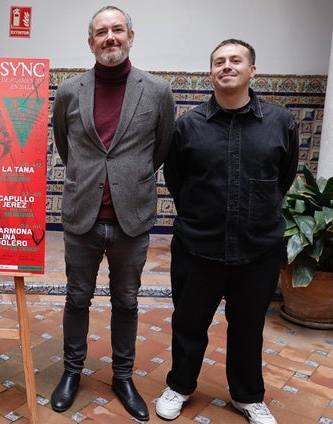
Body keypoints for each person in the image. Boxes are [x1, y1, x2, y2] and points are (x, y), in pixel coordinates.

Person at [156, 39, 298, 424]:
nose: (227, 66)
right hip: (198, 247)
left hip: (257, 250)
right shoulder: (188, 126)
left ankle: (247, 395)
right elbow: (177, 180)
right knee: (188, 324)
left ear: (253, 71)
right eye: (219, 61)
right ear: (211, 73)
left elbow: (281, 180)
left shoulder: (281, 123)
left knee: (249, 328)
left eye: (236, 60)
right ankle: (180, 386)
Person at [51, 5, 175, 421]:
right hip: (82, 216)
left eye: (117, 30)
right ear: (90, 42)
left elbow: (160, 149)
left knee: (126, 301)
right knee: (76, 299)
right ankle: (72, 372)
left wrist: (126, 179)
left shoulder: (156, 91)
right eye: (101, 32)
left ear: (131, 36)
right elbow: (65, 147)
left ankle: (123, 376)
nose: (110, 37)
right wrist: (90, 178)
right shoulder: (70, 91)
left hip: (132, 218)